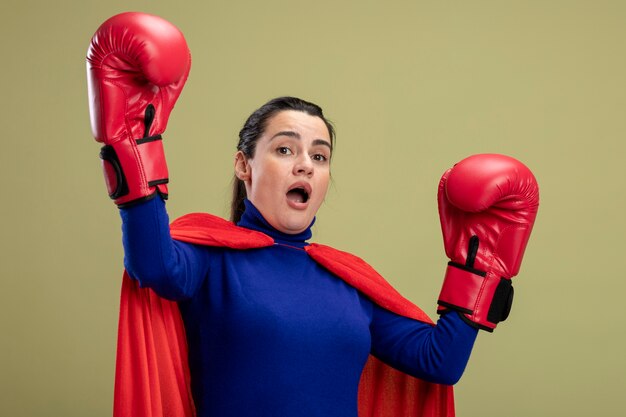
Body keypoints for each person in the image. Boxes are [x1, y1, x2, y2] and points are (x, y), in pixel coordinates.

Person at [87, 12, 539, 417]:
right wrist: (133, 148)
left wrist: (481, 268)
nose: (306, 164)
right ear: (244, 164)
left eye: (319, 156)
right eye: (285, 149)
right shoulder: (207, 261)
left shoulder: (350, 282)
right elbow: (151, 264)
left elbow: (439, 363)